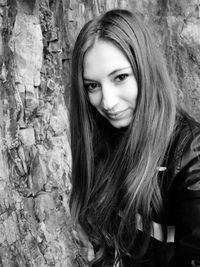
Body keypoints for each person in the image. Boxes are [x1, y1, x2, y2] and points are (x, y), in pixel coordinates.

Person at [69, 8, 200, 267]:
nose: (107, 102)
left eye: (120, 77)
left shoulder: (190, 153)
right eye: (92, 86)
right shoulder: (102, 139)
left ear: (146, 70)